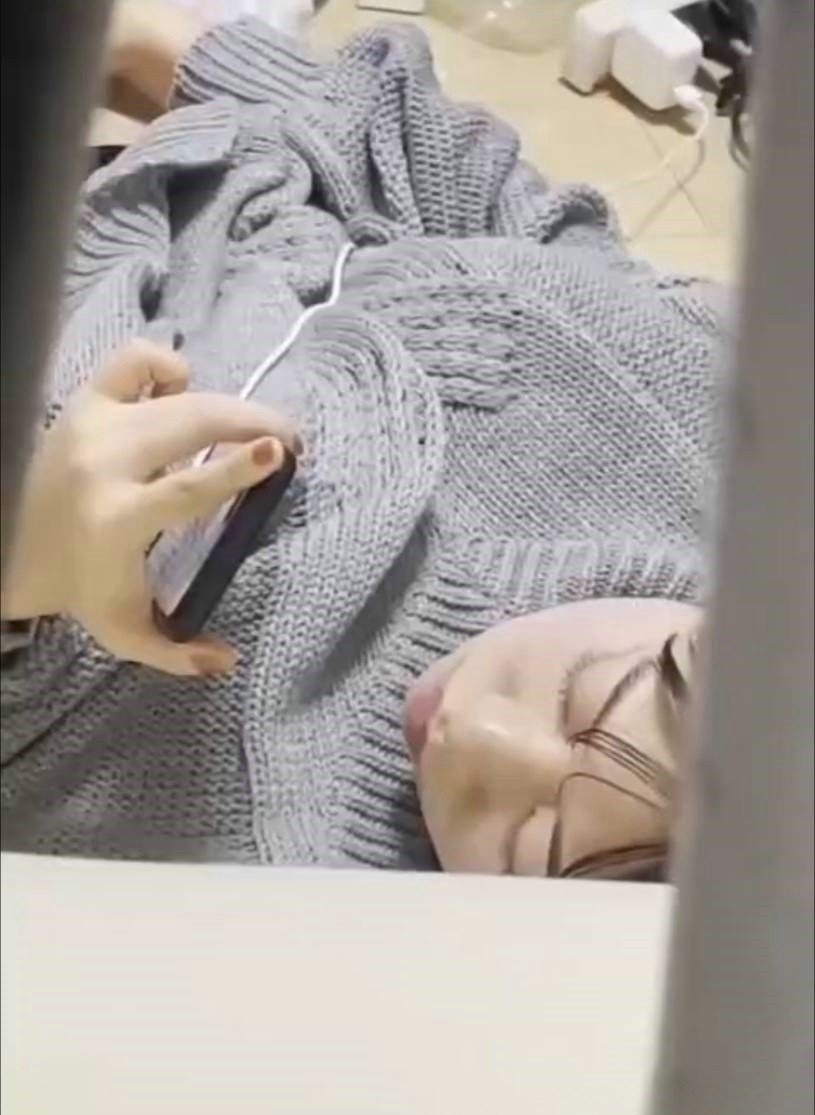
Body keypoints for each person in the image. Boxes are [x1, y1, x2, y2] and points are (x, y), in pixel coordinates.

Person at [0, 5, 722, 875]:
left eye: (530, 840)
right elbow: (488, 196)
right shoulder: (722, 431)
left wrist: (22, 575)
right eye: (585, 695)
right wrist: (156, 46)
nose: (473, 730)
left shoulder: (258, 861)